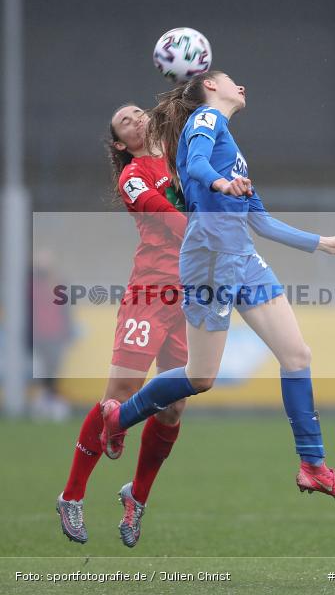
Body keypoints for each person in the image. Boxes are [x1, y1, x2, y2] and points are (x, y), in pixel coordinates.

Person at [101, 71, 335, 506]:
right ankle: (120, 419)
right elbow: (199, 165)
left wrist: (321, 243)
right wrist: (220, 183)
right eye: (230, 81)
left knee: (297, 355)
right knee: (200, 377)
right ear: (209, 87)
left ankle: (313, 466)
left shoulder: (233, 149)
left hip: (242, 257)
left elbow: (260, 220)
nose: (241, 86)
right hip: (208, 259)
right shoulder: (205, 121)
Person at [57, 103, 189, 548]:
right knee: (118, 395)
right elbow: (170, 220)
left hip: (190, 296)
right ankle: (72, 495)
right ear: (119, 143)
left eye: (137, 111)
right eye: (123, 121)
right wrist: (216, 234)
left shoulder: (180, 157)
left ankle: (137, 496)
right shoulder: (132, 175)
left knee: (173, 407)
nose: (135, 118)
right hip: (151, 293)